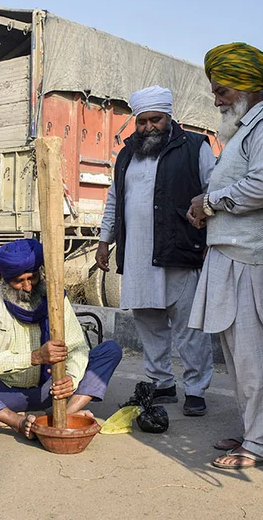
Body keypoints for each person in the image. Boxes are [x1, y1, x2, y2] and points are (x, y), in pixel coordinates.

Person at [186, 42, 263, 469]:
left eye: (222, 91)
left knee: (254, 358)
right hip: (230, 255)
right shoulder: (242, 131)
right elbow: (234, 188)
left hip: (251, 260)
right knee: (237, 357)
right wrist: (203, 205)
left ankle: (259, 446)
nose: (216, 100)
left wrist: (211, 204)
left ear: (248, 87)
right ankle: (260, 433)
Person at [97, 85, 215, 417]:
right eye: (143, 121)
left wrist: (210, 240)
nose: (149, 127)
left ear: (169, 117)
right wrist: (104, 241)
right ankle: (162, 382)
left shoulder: (195, 147)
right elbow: (114, 202)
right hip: (137, 256)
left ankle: (195, 389)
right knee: (148, 321)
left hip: (180, 249)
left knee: (188, 326)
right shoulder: (126, 155)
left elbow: (215, 191)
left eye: (156, 120)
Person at [0, 239, 123, 438]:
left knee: (110, 350)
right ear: (5, 280)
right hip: (6, 391)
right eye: (19, 281)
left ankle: (60, 418)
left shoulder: (56, 299)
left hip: (51, 390)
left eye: (31, 278)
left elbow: (77, 348)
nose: (27, 287)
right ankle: (17, 420)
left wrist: (72, 379)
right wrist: (34, 358)